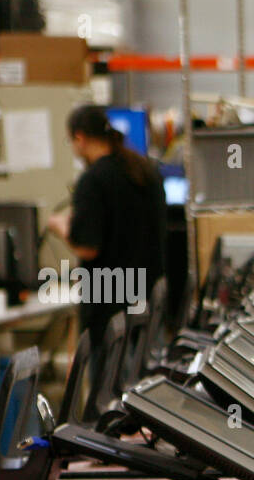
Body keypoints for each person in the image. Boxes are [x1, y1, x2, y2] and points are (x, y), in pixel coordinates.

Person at [47, 104, 166, 407]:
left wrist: (62, 226)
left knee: (111, 405)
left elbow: (88, 246)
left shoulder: (93, 181)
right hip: (146, 297)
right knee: (146, 399)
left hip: (108, 304)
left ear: (79, 138)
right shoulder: (144, 172)